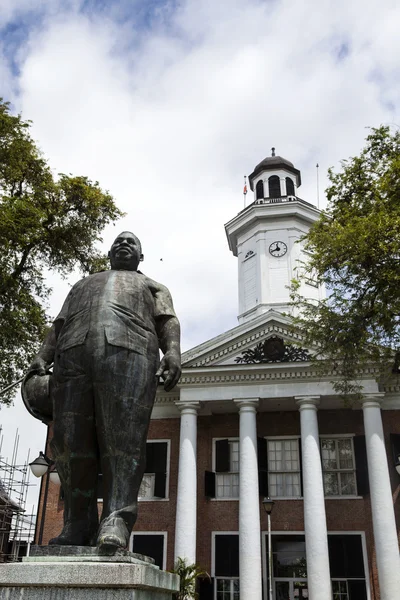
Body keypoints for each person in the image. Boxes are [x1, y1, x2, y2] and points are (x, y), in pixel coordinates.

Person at [29, 231, 181, 552]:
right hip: (72, 357)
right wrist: (41, 360)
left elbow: (167, 321)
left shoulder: (153, 287)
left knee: (122, 441)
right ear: (109, 252)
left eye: (132, 243)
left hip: (131, 356)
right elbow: (58, 326)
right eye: (118, 242)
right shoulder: (82, 285)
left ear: (141, 257)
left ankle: (116, 518)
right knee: (70, 443)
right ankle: (78, 521)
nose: (124, 244)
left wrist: (173, 352)